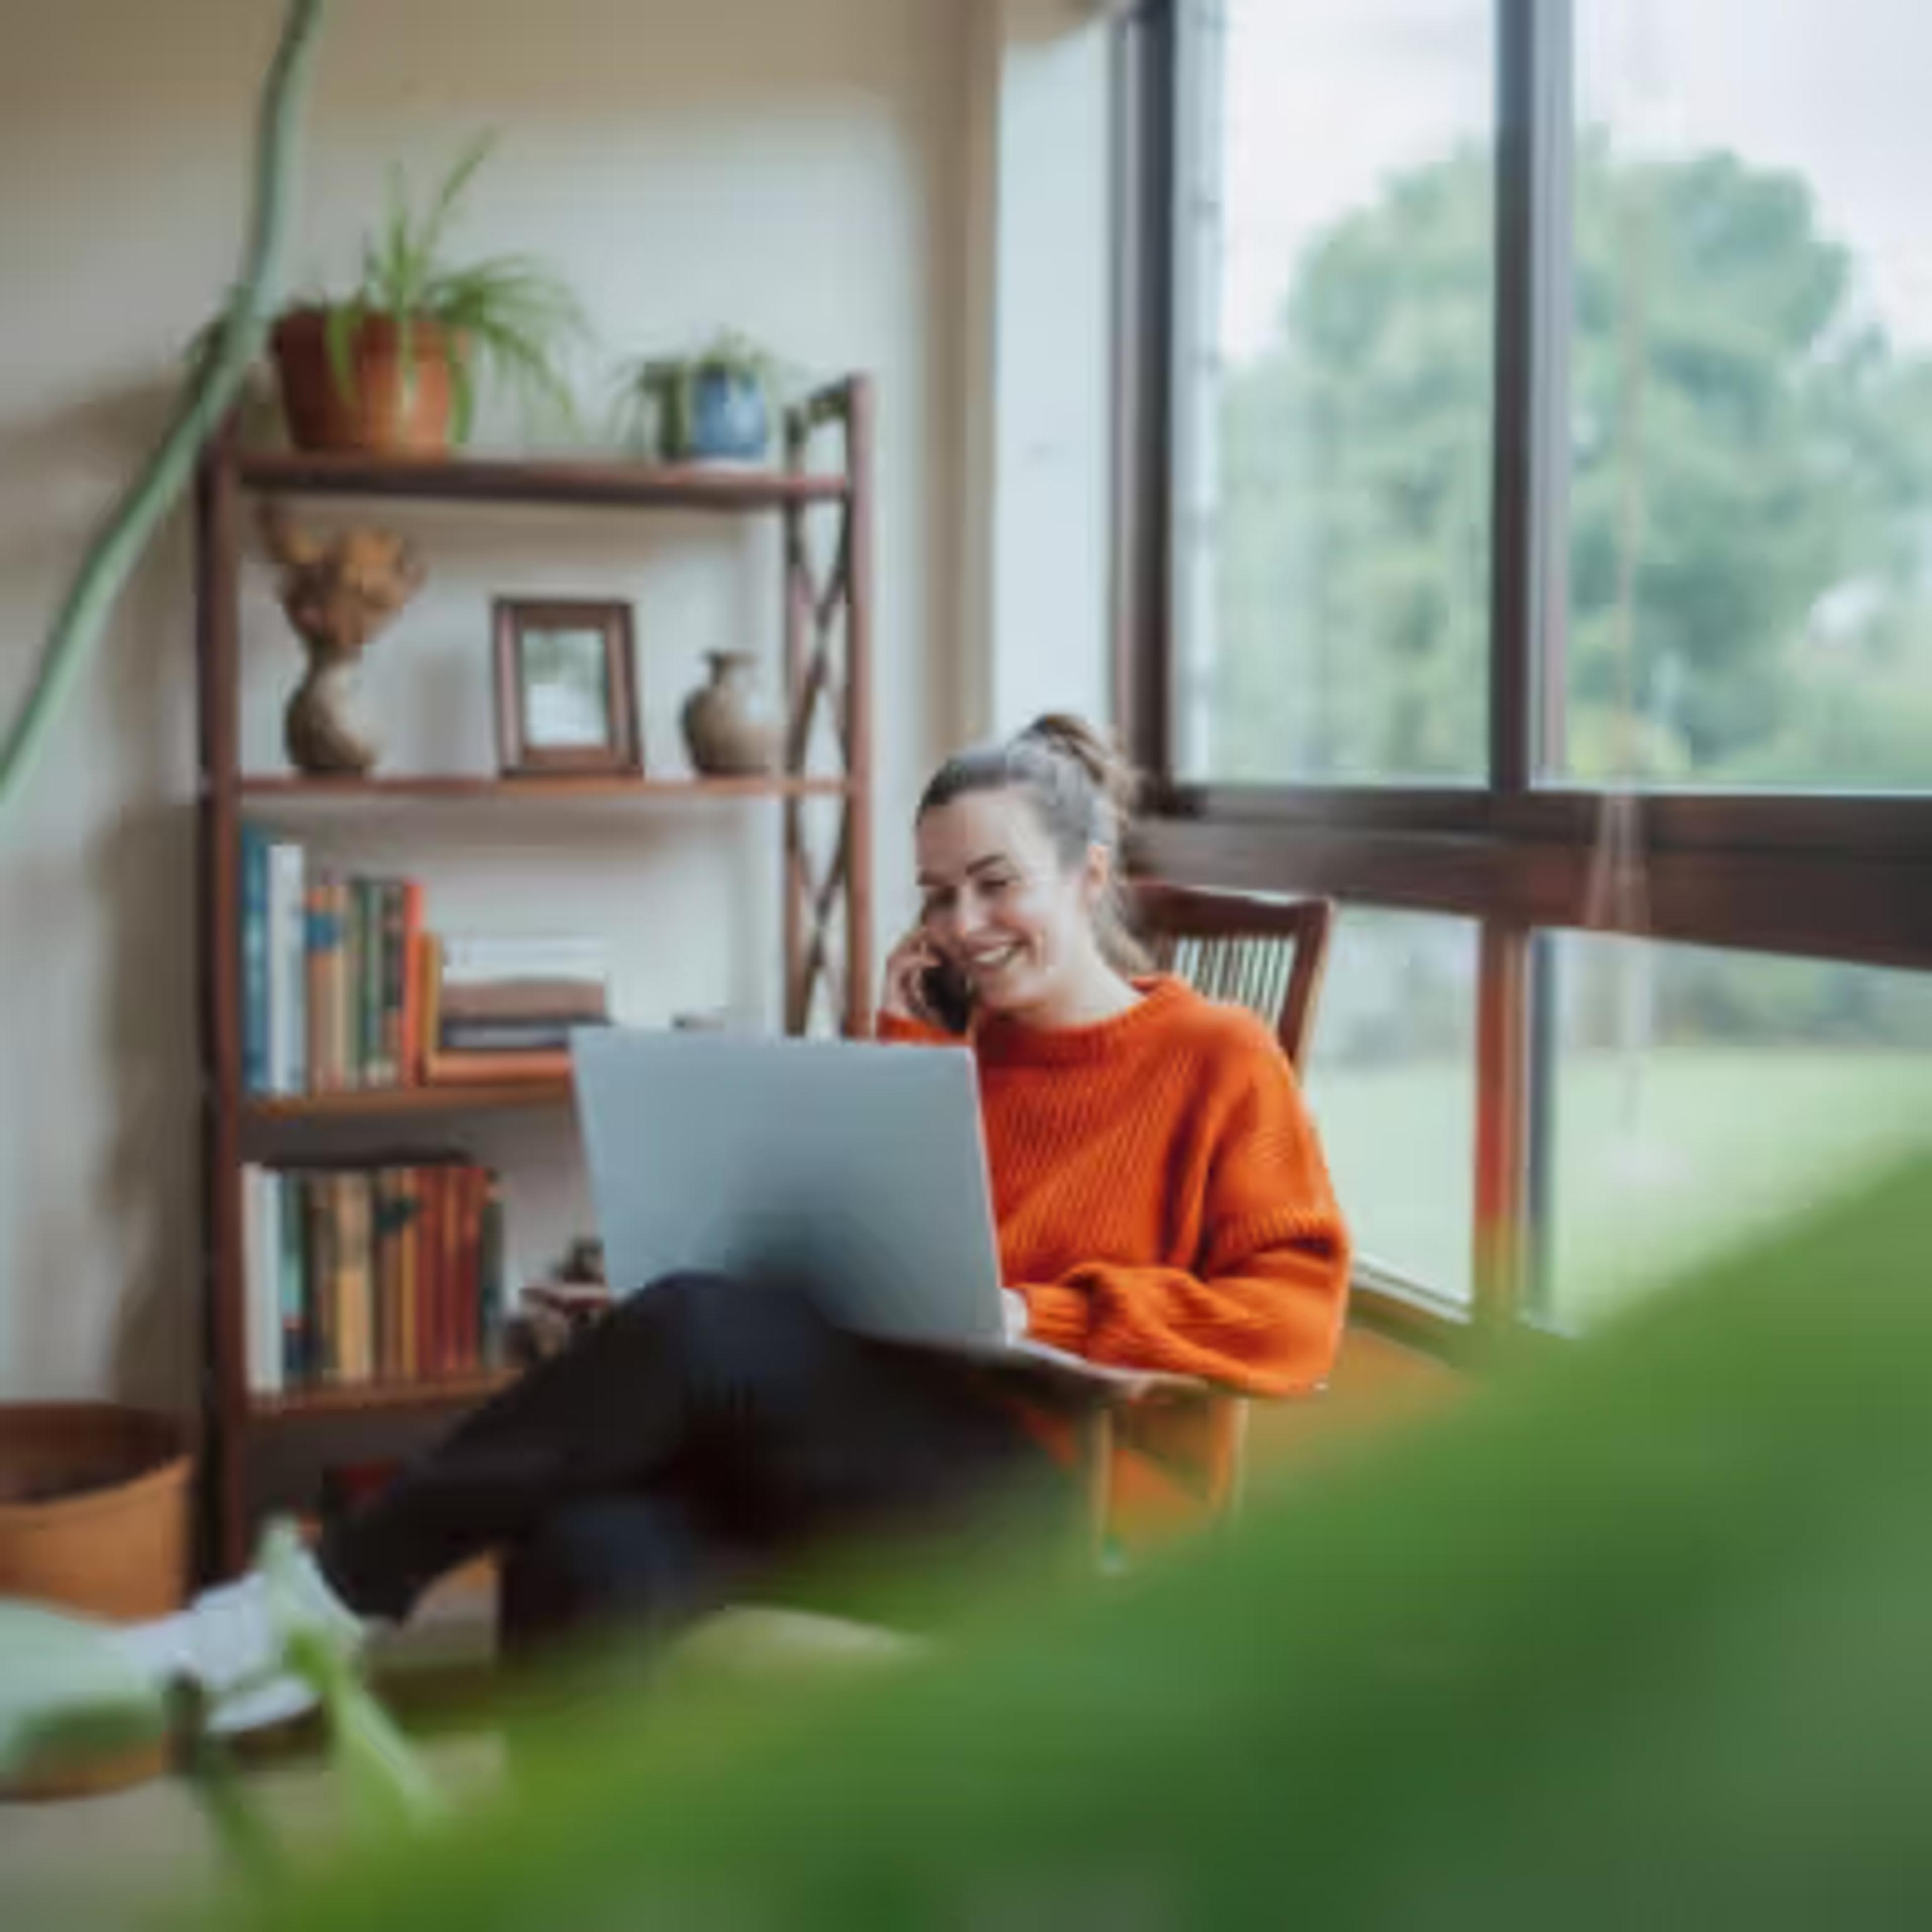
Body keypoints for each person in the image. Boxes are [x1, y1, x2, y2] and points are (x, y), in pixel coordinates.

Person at [120, 714, 1350, 1730]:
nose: (963, 927)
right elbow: (883, 1273)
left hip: (1056, 1496)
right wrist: (910, 1042)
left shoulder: (1215, 1057)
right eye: (937, 895)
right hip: (873, 1461)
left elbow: (1298, 1320)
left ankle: (333, 1592)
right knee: (581, 1545)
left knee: (704, 1328)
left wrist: (1056, 1316)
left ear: (1088, 876)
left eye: (996, 886)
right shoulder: (957, 1050)